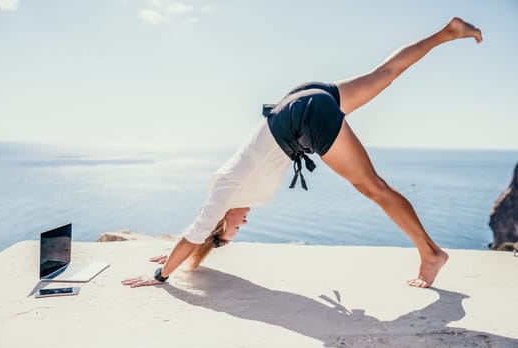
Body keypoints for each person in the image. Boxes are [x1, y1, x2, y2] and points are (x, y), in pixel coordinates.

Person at [122, 17, 482, 289]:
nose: (240, 227)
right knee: (383, 73)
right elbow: (194, 236)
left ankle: (431, 254)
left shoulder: (223, 195)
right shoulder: (228, 183)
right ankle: (447, 32)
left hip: (304, 118)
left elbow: (195, 234)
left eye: (230, 232)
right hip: (295, 100)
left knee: (373, 187)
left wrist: (162, 274)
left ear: (221, 221)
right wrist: (182, 253)